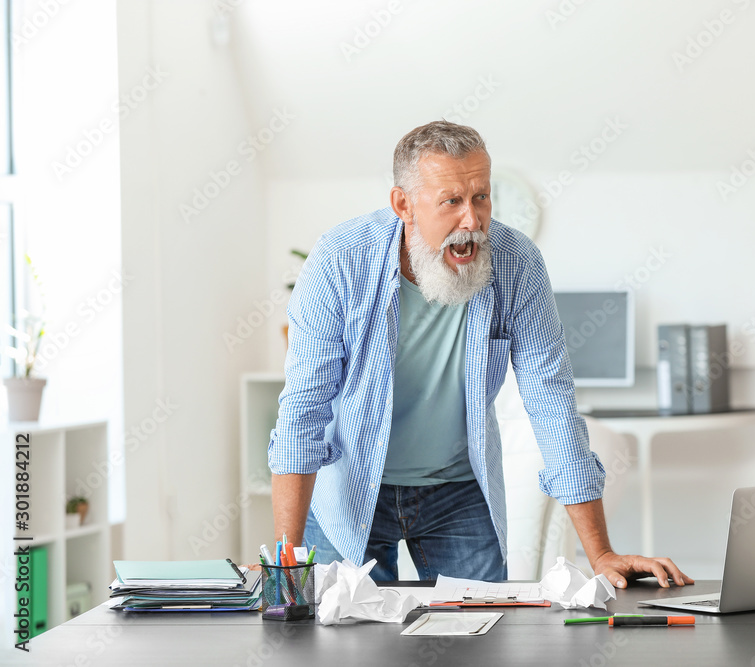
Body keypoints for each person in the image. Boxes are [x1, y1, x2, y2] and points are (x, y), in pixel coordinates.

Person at [268, 120, 693, 589]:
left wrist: (602, 554)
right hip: (350, 484)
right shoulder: (339, 261)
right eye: (451, 201)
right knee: (341, 642)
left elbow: (552, 404)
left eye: (481, 197)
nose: (471, 220)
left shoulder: (516, 263)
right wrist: (286, 561)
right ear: (403, 205)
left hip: (456, 489)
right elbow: (303, 413)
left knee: (481, 638)